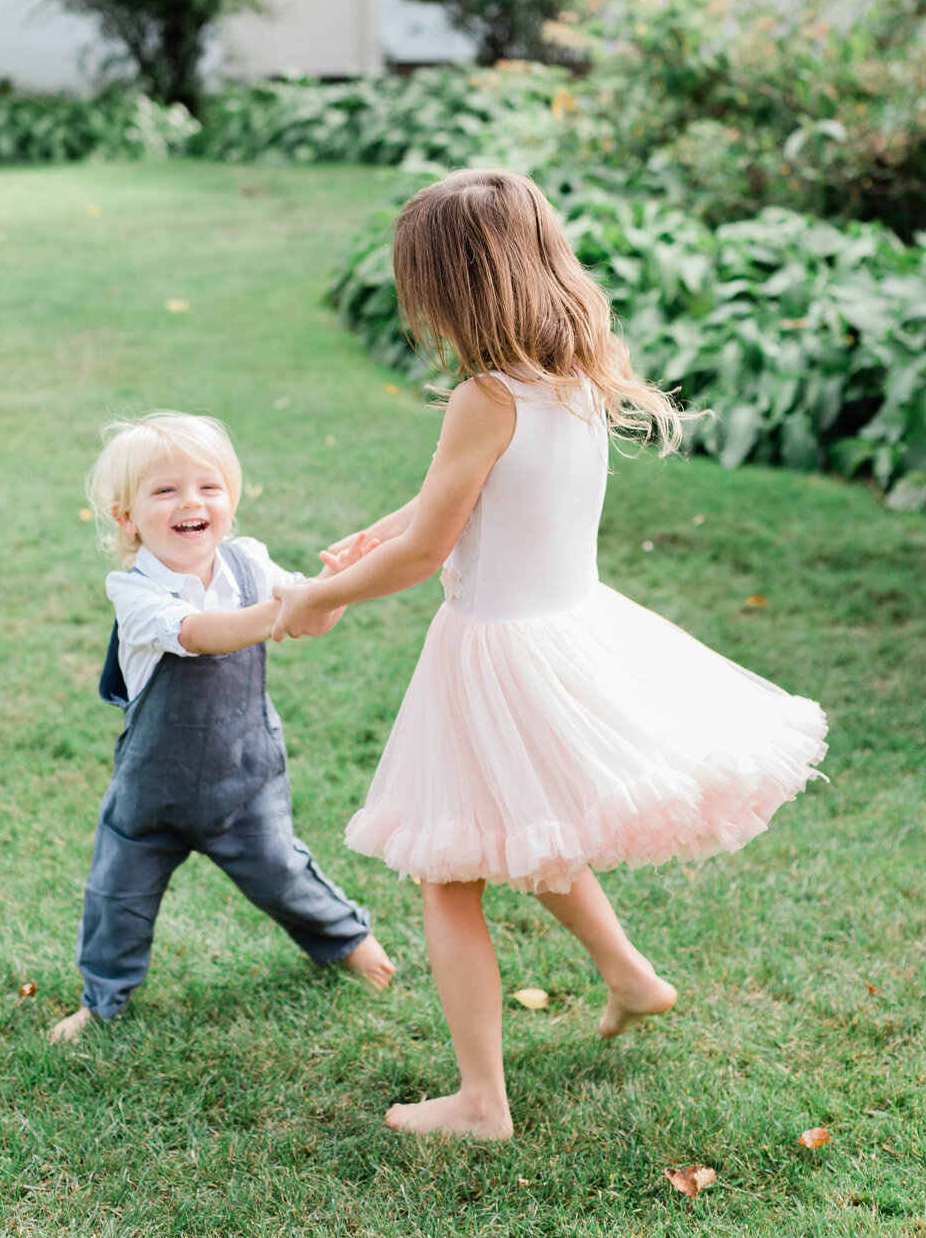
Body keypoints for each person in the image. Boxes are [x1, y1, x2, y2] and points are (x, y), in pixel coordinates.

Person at [272, 169, 826, 1140]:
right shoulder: (570, 378)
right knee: (533, 829)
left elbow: (433, 548)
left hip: (496, 654)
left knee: (451, 875)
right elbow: (455, 500)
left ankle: (482, 1102)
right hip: (568, 632)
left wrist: (320, 597)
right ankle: (631, 976)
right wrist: (372, 534)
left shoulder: (484, 396)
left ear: (451, 288)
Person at [50, 411, 394, 1045]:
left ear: (230, 498)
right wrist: (287, 608)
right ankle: (102, 999)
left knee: (284, 873)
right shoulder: (134, 590)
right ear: (126, 517)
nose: (192, 502)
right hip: (152, 794)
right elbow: (199, 636)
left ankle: (350, 940)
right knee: (115, 897)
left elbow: (311, 621)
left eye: (209, 486)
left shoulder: (249, 565)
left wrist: (333, 589)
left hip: (244, 779)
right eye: (165, 490)